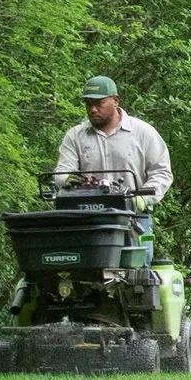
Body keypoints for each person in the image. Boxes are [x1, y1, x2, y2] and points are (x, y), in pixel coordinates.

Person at [55, 75, 172, 261]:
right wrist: (66, 179)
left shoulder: (143, 133)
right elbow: (61, 173)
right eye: (88, 104)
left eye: (99, 103)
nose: (92, 109)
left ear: (115, 101)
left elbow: (162, 172)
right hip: (87, 219)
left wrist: (142, 198)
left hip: (134, 218)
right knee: (80, 269)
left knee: (138, 272)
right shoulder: (76, 136)